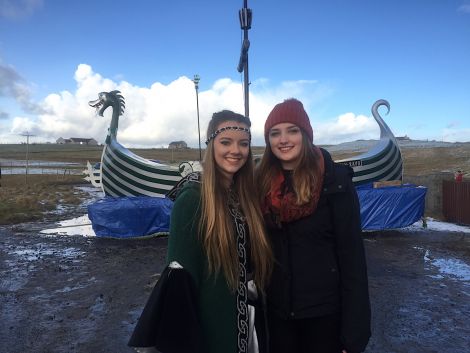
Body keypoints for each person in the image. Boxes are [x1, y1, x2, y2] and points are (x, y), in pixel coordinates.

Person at [256, 99, 371, 353]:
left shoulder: (335, 181)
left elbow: (352, 257)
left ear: (306, 135)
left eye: (292, 130)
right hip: (278, 316)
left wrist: (354, 333)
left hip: (324, 317)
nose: (283, 139)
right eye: (275, 133)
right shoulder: (261, 184)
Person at [165, 110, 273, 353]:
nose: (236, 150)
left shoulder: (246, 195)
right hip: (211, 328)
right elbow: (180, 282)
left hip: (250, 321)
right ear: (211, 145)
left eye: (243, 144)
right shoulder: (192, 200)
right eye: (226, 142)